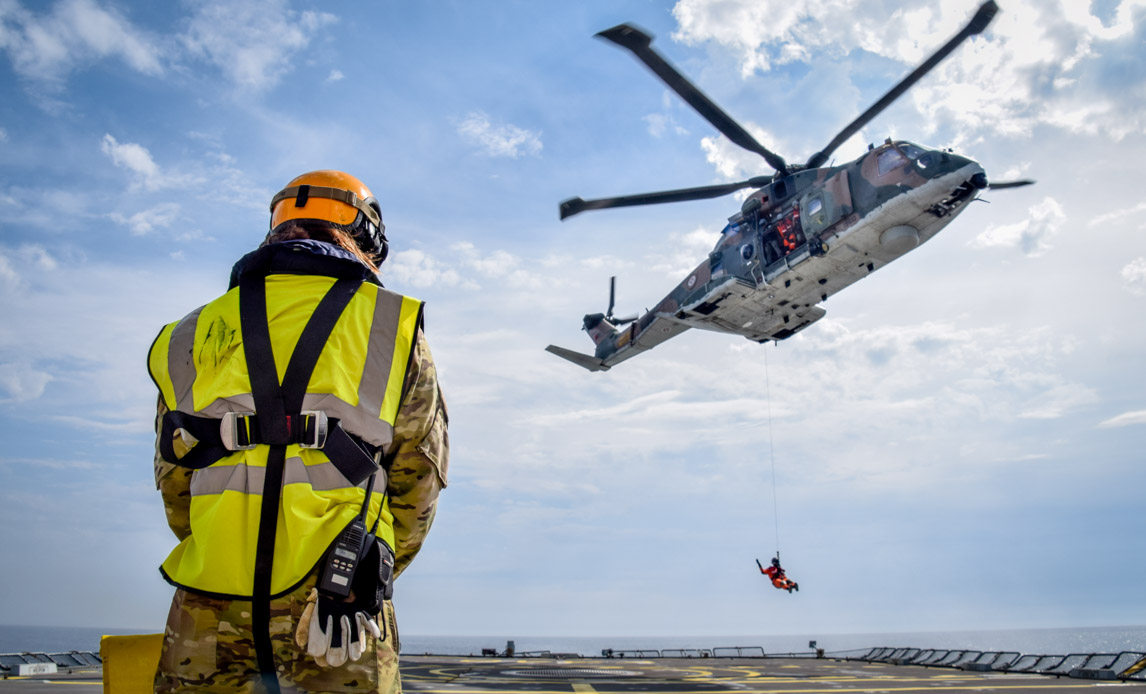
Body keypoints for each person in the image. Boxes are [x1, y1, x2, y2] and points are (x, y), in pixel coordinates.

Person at [149, 170, 449, 693]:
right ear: (369, 237)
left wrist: (225, 558)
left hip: (207, 606)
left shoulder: (189, 335)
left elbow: (175, 479)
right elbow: (417, 481)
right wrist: (367, 575)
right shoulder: (391, 326)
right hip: (338, 604)